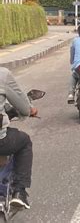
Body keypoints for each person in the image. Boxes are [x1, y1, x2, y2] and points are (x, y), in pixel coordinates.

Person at [0, 67, 38, 209]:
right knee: (24, 141)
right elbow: (23, 107)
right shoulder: (3, 75)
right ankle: (19, 192)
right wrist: (30, 110)